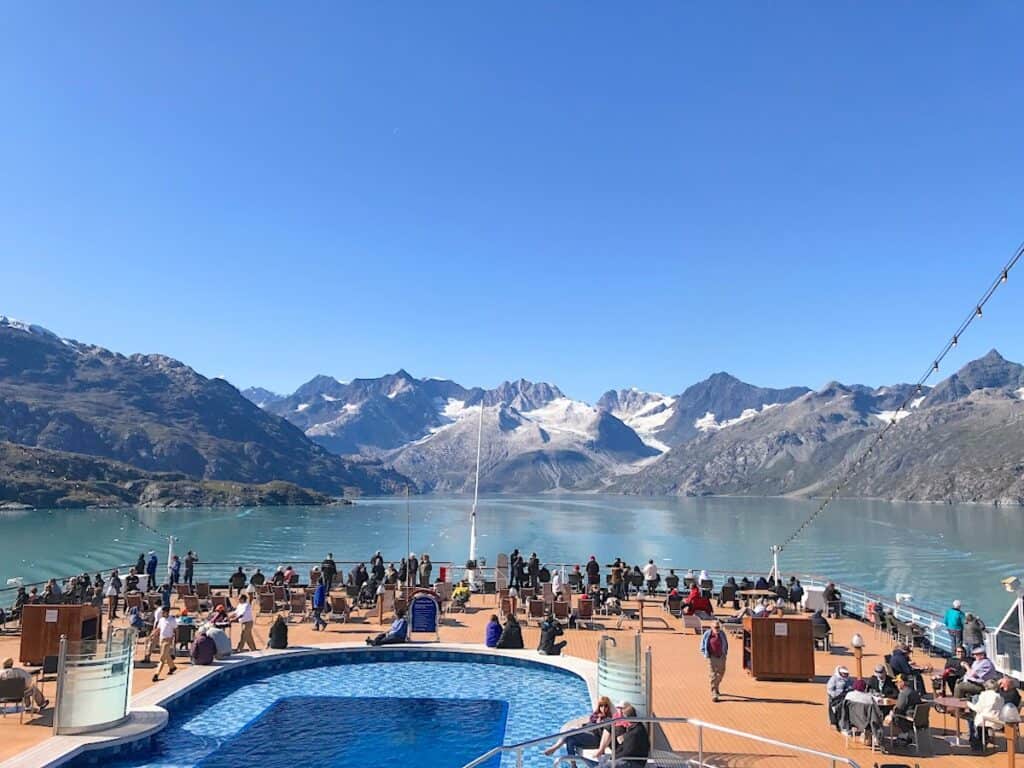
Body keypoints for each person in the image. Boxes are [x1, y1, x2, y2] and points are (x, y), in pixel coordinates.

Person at [543, 695, 614, 758]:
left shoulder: (608, 719)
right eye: (601, 706)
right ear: (599, 706)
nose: (603, 708)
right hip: (587, 736)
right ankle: (573, 764)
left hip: (595, 739)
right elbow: (588, 724)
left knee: (570, 732)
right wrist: (582, 726)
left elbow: (605, 734)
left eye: (605, 706)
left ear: (608, 707)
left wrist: (600, 723)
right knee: (570, 741)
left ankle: (555, 747)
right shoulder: (595, 716)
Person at [887, 674, 922, 744]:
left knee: (894, 717)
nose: (896, 684)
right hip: (920, 719)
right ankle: (905, 735)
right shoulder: (913, 691)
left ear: (902, 683)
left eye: (897, 682)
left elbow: (898, 709)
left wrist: (890, 714)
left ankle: (904, 735)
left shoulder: (903, 694)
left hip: (910, 720)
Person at [701, 620, 729, 702]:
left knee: (721, 672)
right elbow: (703, 643)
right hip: (712, 656)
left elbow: (726, 643)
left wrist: (725, 653)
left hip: (721, 656)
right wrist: (705, 653)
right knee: (713, 674)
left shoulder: (722, 633)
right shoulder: (707, 634)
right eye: (716, 627)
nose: (718, 629)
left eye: (718, 627)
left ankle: (716, 686)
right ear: (711, 628)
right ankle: (714, 692)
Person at [151, 608, 178, 682]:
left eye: (163, 612)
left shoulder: (172, 620)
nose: (162, 614)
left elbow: (176, 629)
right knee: (166, 655)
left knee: (162, 658)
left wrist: (176, 639)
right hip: (161, 640)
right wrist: (153, 634)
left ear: (167, 612)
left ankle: (156, 674)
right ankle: (172, 667)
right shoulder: (161, 620)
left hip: (168, 640)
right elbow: (159, 628)